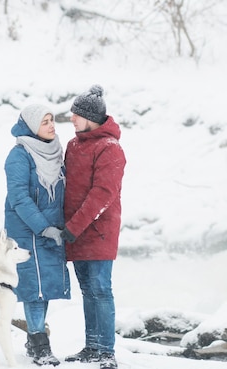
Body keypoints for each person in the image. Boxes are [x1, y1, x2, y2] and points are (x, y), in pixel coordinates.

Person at [61, 85, 126, 369]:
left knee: (101, 289)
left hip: (97, 232)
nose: (72, 118)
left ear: (91, 117)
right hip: (75, 231)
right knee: (87, 290)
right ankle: (92, 347)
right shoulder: (73, 145)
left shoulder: (110, 149)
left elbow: (102, 194)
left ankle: (107, 351)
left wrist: (73, 227)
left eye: (76, 114)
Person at [4, 104, 71, 366]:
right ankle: (39, 344)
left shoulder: (55, 151)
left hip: (52, 228)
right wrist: (42, 227)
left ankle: (35, 341)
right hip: (28, 231)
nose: (52, 125)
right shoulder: (19, 156)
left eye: (52, 120)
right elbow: (19, 198)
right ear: (32, 126)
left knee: (47, 288)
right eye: (45, 122)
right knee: (35, 288)